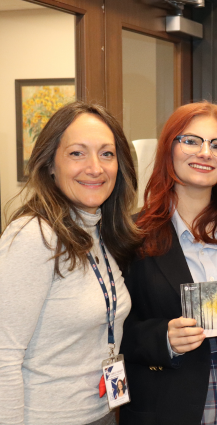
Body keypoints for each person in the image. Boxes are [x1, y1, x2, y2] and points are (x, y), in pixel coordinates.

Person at [120, 101, 217, 425]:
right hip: (168, 403)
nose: (205, 152)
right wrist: (163, 337)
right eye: (191, 140)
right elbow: (115, 329)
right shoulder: (132, 235)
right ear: (169, 149)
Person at [0, 101, 140, 425]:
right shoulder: (34, 237)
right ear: (50, 163)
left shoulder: (99, 230)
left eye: (107, 154)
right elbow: (4, 354)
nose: (95, 167)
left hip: (100, 412)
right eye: (77, 153)